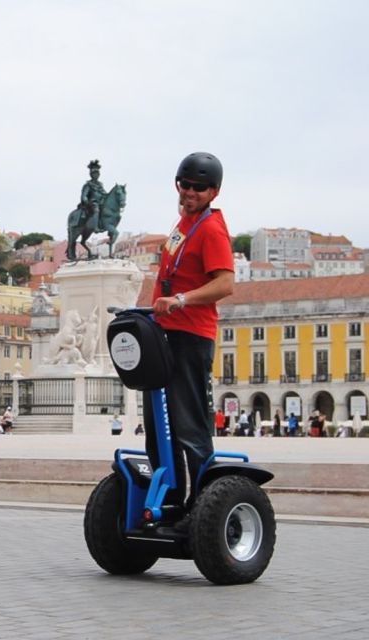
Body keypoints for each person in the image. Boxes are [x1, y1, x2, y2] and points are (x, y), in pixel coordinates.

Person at [147, 151, 234, 520]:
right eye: (185, 185)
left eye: (199, 187)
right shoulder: (183, 224)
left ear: (213, 191)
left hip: (191, 335)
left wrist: (181, 300)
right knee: (158, 426)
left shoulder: (211, 229)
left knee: (189, 425)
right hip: (165, 332)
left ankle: (202, 507)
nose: (190, 192)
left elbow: (226, 283)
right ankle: (171, 499)